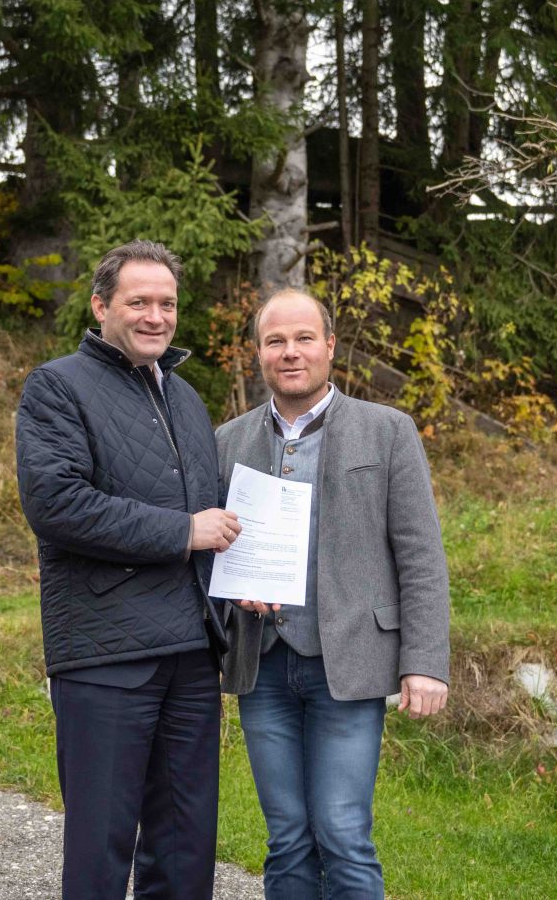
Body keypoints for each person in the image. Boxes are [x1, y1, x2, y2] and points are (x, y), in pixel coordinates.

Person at [15, 240, 242, 899]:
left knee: (187, 844)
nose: (155, 315)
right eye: (138, 300)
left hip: (192, 653)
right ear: (100, 305)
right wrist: (183, 531)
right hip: (106, 654)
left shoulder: (188, 399)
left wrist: (244, 584)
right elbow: (57, 505)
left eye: (166, 302)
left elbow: (215, 519)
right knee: (101, 846)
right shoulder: (58, 386)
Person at [217, 288, 451, 900]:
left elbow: (421, 555)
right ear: (259, 353)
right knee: (287, 836)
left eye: (302, 339)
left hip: (348, 665)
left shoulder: (388, 432)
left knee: (344, 831)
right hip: (261, 666)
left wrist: (424, 662)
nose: (289, 353)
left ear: (329, 346)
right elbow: (210, 548)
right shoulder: (225, 442)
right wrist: (233, 592)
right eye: (275, 341)